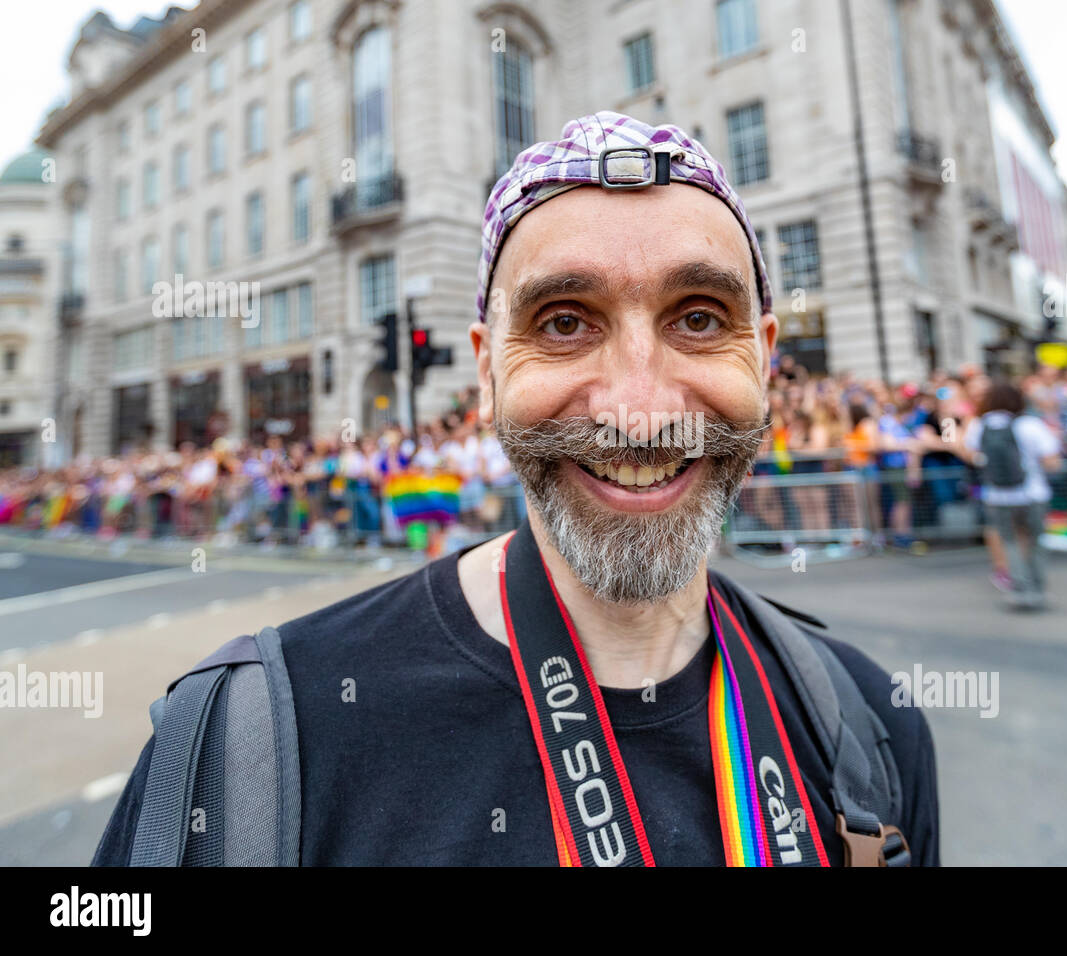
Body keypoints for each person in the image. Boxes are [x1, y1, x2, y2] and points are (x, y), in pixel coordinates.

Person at [92, 111, 938, 867]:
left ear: (765, 356)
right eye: (565, 322)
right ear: (487, 372)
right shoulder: (252, 743)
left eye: (699, 319)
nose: (640, 412)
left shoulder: (870, 725)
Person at [963, 381, 1061, 610]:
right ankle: (1036, 588)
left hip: (997, 495)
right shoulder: (1030, 424)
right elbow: (1051, 460)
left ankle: (1019, 588)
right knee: (1035, 541)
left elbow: (969, 452)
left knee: (1010, 542)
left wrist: (986, 464)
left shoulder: (980, 425)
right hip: (1032, 493)